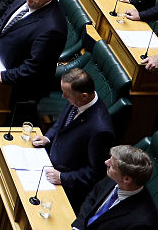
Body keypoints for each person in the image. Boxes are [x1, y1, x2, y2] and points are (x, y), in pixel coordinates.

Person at [32, 69, 116, 209]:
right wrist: (48, 137)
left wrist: (63, 178)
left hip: (66, 186)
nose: (63, 96)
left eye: (66, 94)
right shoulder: (78, 100)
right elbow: (62, 123)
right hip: (48, 163)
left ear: (84, 96)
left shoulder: (100, 130)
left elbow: (95, 173)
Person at [71, 146, 158, 230]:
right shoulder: (115, 177)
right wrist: (79, 226)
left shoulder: (142, 224)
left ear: (126, 179)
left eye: (112, 165)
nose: (106, 162)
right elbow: (92, 197)